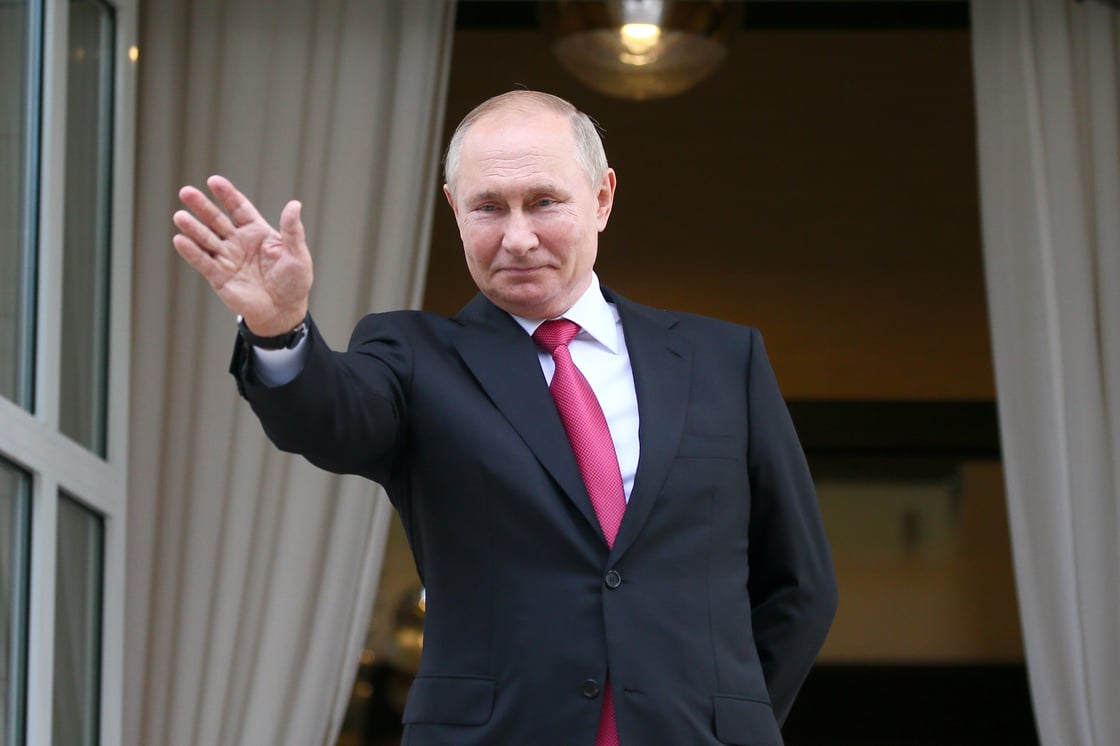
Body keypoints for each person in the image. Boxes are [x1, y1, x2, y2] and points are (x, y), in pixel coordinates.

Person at [173, 90, 837, 746]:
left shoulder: (724, 360)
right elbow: (329, 417)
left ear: (602, 198)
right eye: (488, 207)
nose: (518, 239)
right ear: (453, 208)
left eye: (544, 202)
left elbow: (800, 586)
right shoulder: (413, 356)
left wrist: (732, 721)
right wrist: (279, 330)